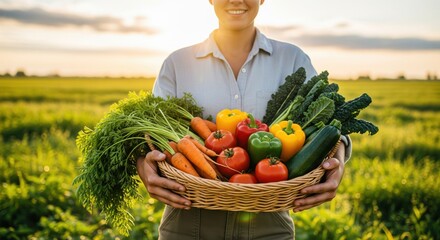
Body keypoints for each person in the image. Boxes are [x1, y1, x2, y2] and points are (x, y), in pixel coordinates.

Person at [136, 0, 351, 239]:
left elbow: (331, 129)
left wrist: (338, 162)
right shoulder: (177, 64)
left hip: (268, 224)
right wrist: (143, 166)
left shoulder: (291, 59)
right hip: (188, 221)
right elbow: (149, 136)